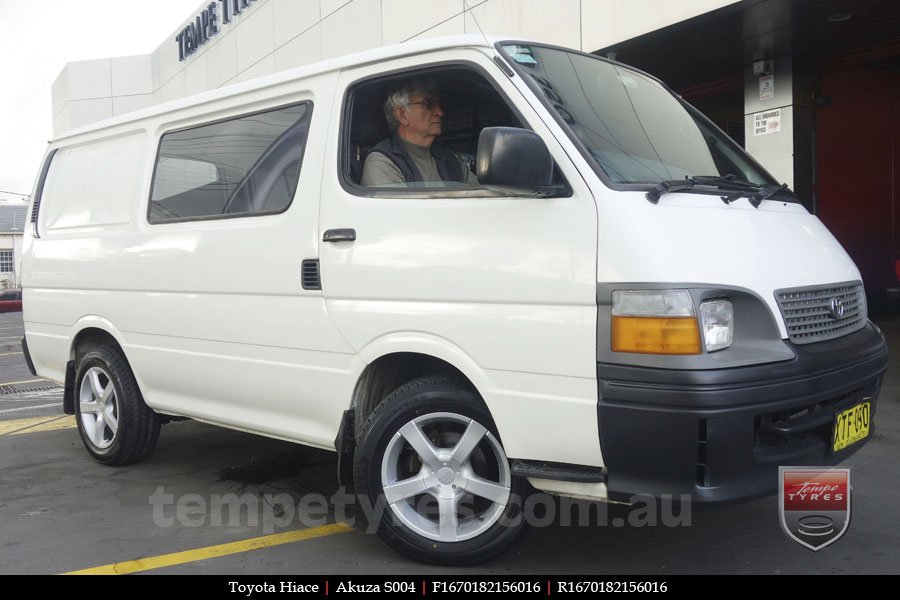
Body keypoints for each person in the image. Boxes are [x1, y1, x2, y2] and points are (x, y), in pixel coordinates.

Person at [361, 79, 478, 187]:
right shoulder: (382, 163)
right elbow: (398, 210)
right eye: (427, 103)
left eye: (439, 105)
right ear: (401, 115)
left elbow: (481, 198)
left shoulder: (450, 159)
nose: (440, 112)